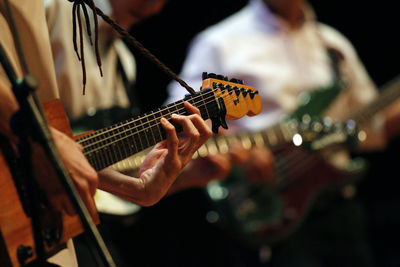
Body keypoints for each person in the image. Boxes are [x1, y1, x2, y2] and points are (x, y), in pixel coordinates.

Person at [165, 0, 400, 266]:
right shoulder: (219, 42)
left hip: (337, 204)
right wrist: (239, 151)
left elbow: (371, 126)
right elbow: (183, 119)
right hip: (266, 201)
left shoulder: (332, 43)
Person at [0, 0, 212, 265]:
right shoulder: (51, 9)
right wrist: (40, 142)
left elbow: (72, 157)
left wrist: (138, 188)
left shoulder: (124, 59)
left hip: (52, 220)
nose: (154, 6)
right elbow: (53, 148)